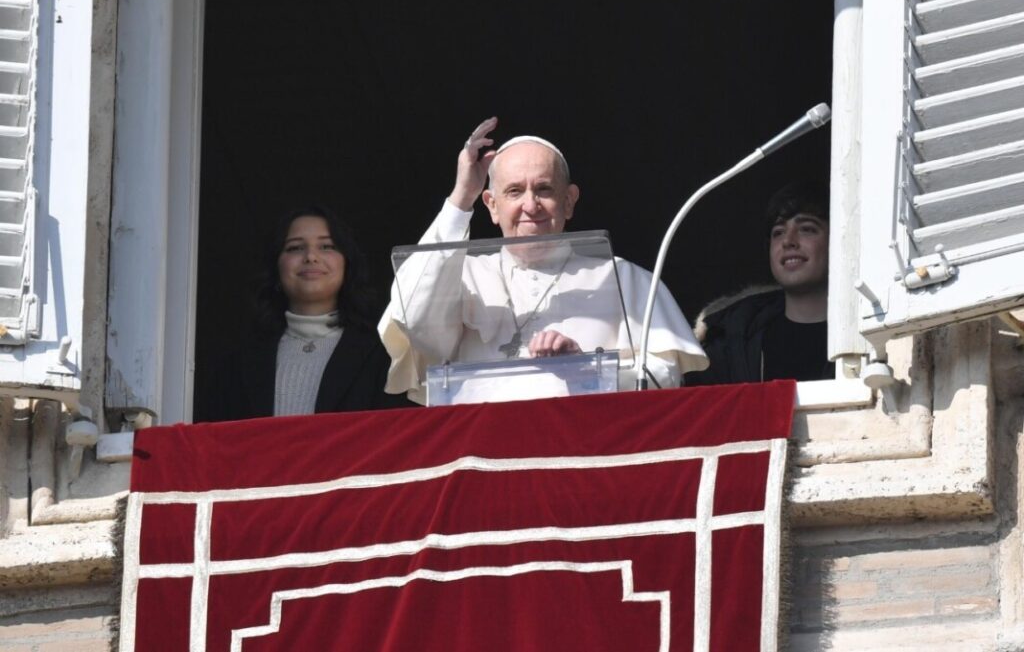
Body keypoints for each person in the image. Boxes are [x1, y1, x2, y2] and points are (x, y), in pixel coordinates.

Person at [378, 117, 707, 404]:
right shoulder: (462, 275)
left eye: (545, 189)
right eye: (514, 191)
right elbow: (415, 318)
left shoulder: (624, 278)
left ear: (569, 201)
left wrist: (588, 370)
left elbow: (665, 379)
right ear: (491, 205)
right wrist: (461, 198)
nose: (530, 205)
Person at [197, 205, 407, 421]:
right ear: (276, 267)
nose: (311, 256)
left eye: (327, 246)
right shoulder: (237, 364)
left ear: (347, 265)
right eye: (295, 248)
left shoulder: (384, 358)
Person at [685, 180, 832, 385]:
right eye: (778, 232)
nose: (788, 241)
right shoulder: (731, 339)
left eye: (807, 229)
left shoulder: (867, 338)